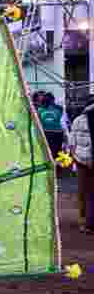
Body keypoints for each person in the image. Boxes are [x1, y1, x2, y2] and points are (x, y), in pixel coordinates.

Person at [69, 95, 94, 233]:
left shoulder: (77, 120)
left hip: (81, 161)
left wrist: (75, 158)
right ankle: (85, 221)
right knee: (86, 192)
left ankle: (84, 221)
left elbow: (72, 144)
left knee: (83, 192)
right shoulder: (78, 121)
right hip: (82, 161)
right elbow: (72, 143)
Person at [39, 91, 69, 160]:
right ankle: (57, 165)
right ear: (53, 99)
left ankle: (52, 164)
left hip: (47, 132)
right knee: (57, 151)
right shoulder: (59, 108)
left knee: (48, 150)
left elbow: (40, 121)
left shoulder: (40, 110)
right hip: (57, 132)